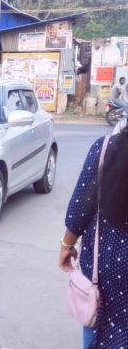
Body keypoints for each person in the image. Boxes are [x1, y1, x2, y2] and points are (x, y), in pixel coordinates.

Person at [60, 126, 128, 348]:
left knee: (98, 322)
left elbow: (81, 208)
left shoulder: (106, 148)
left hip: (108, 268)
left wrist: (66, 245)